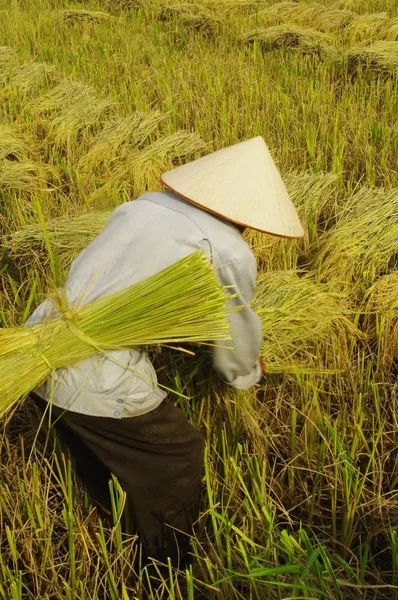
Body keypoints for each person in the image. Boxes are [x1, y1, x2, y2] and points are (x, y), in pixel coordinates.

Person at [26, 136, 303, 571]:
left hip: (40, 340)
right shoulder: (227, 250)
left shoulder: (144, 206)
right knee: (179, 455)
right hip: (93, 369)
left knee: (95, 447)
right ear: (249, 216)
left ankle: (111, 519)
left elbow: (134, 287)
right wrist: (247, 372)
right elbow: (234, 332)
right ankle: (166, 569)